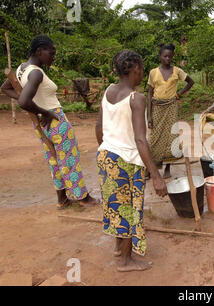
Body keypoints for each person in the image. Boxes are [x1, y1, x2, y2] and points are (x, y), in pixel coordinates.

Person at [0, 35, 99, 209]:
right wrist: (43, 110)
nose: (53, 57)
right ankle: (82, 197)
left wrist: (35, 107)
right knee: (69, 158)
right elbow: (23, 101)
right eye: (51, 53)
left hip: (41, 124)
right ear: (39, 51)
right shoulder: (36, 73)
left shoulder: (21, 69)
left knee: (53, 158)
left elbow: (6, 89)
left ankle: (62, 199)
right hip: (53, 119)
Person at [96, 50, 168, 272]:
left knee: (116, 205)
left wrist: (107, 149)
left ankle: (119, 247)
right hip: (126, 161)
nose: (142, 74)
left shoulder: (108, 91)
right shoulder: (136, 98)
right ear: (135, 68)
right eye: (142, 70)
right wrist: (156, 176)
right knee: (129, 209)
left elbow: (99, 127)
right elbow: (140, 139)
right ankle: (126, 261)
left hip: (106, 156)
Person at [147, 43, 194, 179]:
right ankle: (153, 167)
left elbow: (190, 82)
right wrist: (149, 115)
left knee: (171, 136)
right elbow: (149, 93)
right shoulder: (153, 72)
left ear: (173, 57)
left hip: (171, 107)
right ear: (160, 56)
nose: (167, 59)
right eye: (165, 56)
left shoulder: (177, 71)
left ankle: (168, 166)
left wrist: (179, 94)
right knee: (155, 137)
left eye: (170, 56)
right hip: (157, 107)